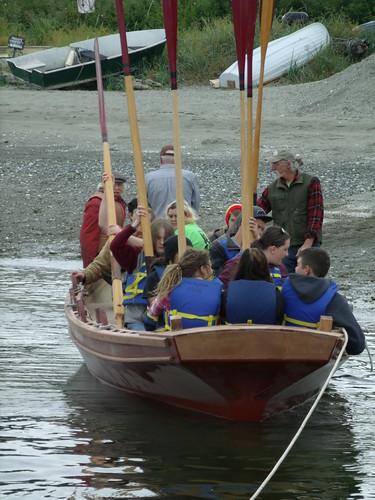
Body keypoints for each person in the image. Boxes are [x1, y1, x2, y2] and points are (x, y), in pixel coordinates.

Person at [282, 248, 365, 355]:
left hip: (285, 349)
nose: (295, 268)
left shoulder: (285, 288)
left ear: (307, 269)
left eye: (297, 265)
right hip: (315, 356)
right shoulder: (333, 298)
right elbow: (357, 345)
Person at [257, 148, 324, 274]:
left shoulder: (311, 183)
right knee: (285, 286)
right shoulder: (272, 189)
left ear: (288, 164)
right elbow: (258, 212)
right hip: (282, 249)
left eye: (276, 164)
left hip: (308, 246)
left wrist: (308, 243)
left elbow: (316, 215)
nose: (272, 168)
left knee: (311, 284)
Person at [110, 207, 174, 330]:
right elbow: (115, 246)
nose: (161, 242)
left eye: (165, 239)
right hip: (137, 317)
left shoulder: (174, 259)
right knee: (145, 334)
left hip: (165, 318)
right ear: (152, 238)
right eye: (158, 238)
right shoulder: (137, 255)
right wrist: (133, 225)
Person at [148, 248, 223, 330]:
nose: (212, 271)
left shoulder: (171, 288)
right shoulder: (218, 291)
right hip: (208, 339)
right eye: (210, 267)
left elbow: (153, 311)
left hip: (177, 339)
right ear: (203, 269)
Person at [221, 248, 285, 325]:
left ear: (240, 266)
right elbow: (279, 318)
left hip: (234, 336)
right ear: (265, 267)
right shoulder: (277, 296)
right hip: (267, 336)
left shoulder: (227, 294)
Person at [143, 234, 193, 330]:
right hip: (165, 327)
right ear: (171, 258)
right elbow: (155, 310)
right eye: (184, 253)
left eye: (191, 253)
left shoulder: (196, 275)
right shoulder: (154, 277)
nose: (189, 258)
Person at [219, 225, 290, 289]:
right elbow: (221, 292)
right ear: (273, 249)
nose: (287, 254)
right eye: (285, 249)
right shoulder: (236, 264)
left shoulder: (281, 268)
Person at [79, 172, 127, 267]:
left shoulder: (117, 201)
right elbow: (88, 236)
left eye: (119, 185)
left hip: (112, 256)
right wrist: (89, 265)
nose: (117, 188)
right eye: (114, 184)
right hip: (100, 258)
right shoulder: (96, 202)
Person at [210, 206, 272, 277]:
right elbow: (216, 278)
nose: (259, 233)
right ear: (243, 224)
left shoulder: (260, 249)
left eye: (262, 229)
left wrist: (259, 246)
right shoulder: (219, 247)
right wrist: (240, 256)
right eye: (257, 227)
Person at [145, 145, 201, 218]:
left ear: (160, 160)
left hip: (158, 224)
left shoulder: (149, 178)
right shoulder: (189, 176)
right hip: (182, 222)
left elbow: (141, 203)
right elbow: (195, 203)